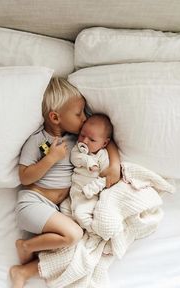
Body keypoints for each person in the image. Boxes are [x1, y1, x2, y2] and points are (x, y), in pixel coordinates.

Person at [10, 78, 120, 288]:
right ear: (55, 117)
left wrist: (114, 165)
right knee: (74, 235)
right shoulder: (39, 141)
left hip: (54, 209)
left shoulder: (78, 140)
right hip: (32, 202)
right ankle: (25, 246)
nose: (84, 119)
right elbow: (24, 177)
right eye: (79, 114)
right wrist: (50, 158)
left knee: (74, 246)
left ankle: (23, 272)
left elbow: (105, 139)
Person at [69, 113, 113, 232]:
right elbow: (74, 158)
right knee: (65, 210)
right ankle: (77, 231)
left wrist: (93, 188)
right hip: (73, 193)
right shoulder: (78, 149)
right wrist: (88, 161)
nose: (84, 140)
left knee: (80, 214)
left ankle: (95, 233)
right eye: (82, 135)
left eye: (92, 140)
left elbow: (106, 177)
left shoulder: (102, 155)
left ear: (104, 143)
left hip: (90, 196)